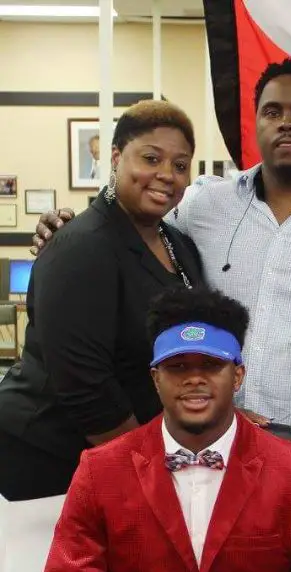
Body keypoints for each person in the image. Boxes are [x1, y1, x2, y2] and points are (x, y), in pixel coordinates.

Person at [32, 58, 291, 449]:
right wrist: (67, 229)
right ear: (255, 124)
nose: (285, 122)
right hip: (207, 451)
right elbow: (128, 228)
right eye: (272, 111)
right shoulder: (205, 204)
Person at [38, 286, 291, 572]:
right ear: (156, 379)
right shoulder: (101, 471)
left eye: (211, 365)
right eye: (178, 366)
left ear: (238, 376)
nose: (194, 379)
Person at [0, 100, 203, 506]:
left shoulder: (176, 242)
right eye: (151, 158)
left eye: (180, 166)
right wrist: (148, 468)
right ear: (115, 157)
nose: (167, 175)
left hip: (126, 449)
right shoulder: (81, 246)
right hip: (52, 453)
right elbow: (84, 387)